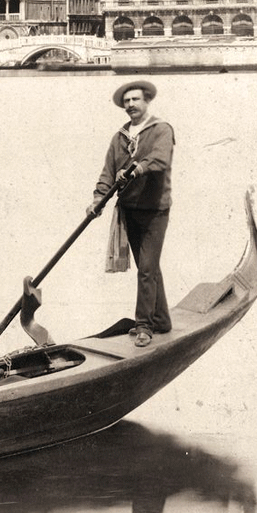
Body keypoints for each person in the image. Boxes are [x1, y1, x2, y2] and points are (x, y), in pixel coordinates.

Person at [87, 80, 175, 348]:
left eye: (135, 100)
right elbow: (108, 171)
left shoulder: (161, 129)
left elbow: (161, 160)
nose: (131, 105)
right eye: (126, 102)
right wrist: (97, 199)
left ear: (147, 101)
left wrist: (137, 169)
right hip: (129, 210)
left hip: (155, 210)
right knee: (147, 267)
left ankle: (145, 326)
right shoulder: (119, 137)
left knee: (147, 270)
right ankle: (161, 320)